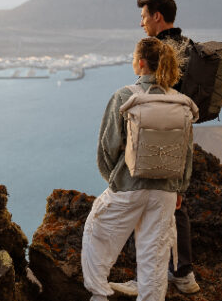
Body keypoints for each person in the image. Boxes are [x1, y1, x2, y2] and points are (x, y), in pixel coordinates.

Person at [81, 37, 195, 301]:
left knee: (96, 235)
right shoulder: (181, 101)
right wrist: (179, 189)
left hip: (128, 186)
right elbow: (187, 153)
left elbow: (107, 148)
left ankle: (99, 295)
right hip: (166, 191)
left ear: (141, 63)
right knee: (154, 257)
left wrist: (115, 179)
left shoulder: (124, 96)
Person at [118, 0, 199, 295]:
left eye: (144, 16)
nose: (141, 23)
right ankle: (178, 273)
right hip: (180, 134)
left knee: (159, 209)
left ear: (157, 17)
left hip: (159, 140)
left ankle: (165, 276)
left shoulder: (163, 50)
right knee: (173, 205)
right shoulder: (187, 45)